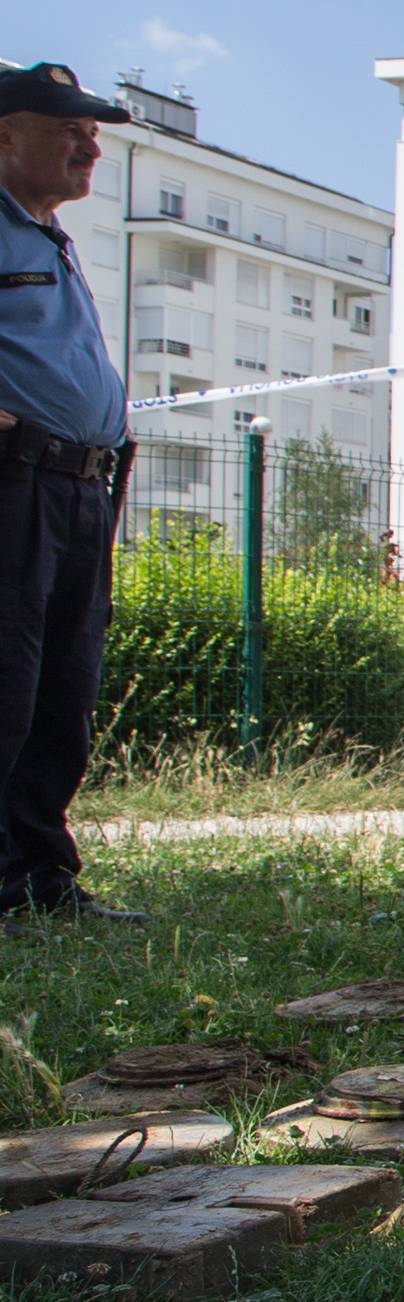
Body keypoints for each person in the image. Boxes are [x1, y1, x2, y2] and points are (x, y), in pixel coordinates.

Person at [0, 62, 143, 921]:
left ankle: (41, 878)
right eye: (69, 128)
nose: (90, 144)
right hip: (14, 488)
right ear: (5, 135)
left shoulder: (48, 236)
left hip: (79, 492)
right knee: (7, 684)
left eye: (93, 130)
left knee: (63, 692)